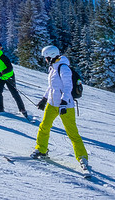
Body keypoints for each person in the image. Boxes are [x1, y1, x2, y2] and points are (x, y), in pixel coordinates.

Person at [31, 45, 89, 173]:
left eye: (46, 57)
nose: (45, 60)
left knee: (72, 133)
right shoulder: (53, 68)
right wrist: (44, 99)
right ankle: (41, 149)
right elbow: (52, 87)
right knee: (44, 126)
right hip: (52, 104)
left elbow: (68, 87)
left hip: (65, 105)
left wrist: (63, 102)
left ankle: (82, 158)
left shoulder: (64, 68)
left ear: (51, 56)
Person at [0, 45, 29, 118]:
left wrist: (2, 72)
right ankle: (0, 107)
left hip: (9, 77)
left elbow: (10, 68)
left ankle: (22, 109)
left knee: (14, 93)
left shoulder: (3, 57)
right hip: (0, 77)